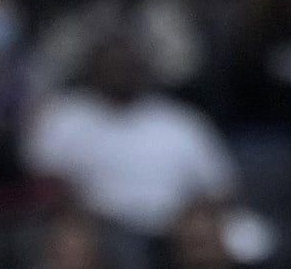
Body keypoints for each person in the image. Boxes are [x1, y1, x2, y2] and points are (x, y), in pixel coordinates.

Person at [22, 31, 236, 238]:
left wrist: (191, 217)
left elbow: (222, 189)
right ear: (92, 68)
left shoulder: (180, 121)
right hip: (99, 235)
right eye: (111, 64)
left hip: (174, 236)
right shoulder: (63, 118)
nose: (119, 71)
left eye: (126, 64)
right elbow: (40, 185)